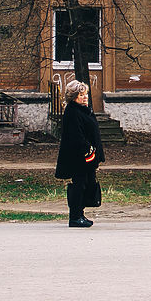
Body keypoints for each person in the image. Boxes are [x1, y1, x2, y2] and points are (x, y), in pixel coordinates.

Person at [55, 80, 105, 228]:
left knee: (86, 184)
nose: (85, 97)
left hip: (87, 157)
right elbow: (76, 137)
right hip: (79, 158)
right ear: (74, 96)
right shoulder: (72, 111)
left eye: (86, 94)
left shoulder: (84, 109)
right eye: (81, 95)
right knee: (79, 185)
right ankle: (75, 217)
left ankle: (80, 214)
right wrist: (89, 151)